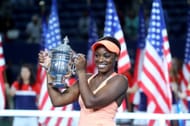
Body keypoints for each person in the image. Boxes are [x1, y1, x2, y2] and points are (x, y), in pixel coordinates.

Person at [38, 36, 128, 126]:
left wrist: (81, 72)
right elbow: (57, 100)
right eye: (97, 55)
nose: (100, 59)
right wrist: (50, 69)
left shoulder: (120, 80)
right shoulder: (86, 78)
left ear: (116, 58)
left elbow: (91, 102)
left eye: (106, 56)